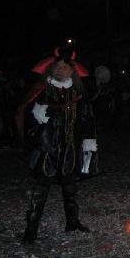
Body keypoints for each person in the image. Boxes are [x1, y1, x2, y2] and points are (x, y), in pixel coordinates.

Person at [15, 46, 95, 244]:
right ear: (51, 70)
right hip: (47, 147)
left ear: (72, 72)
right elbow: (24, 114)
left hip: (70, 147)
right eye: (58, 67)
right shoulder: (41, 92)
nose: (61, 70)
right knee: (41, 188)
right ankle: (31, 229)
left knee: (70, 186)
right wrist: (40, 115)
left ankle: (72, 222)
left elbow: (87, 119)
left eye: (65, 68)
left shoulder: (79, 94)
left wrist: (88, 141)